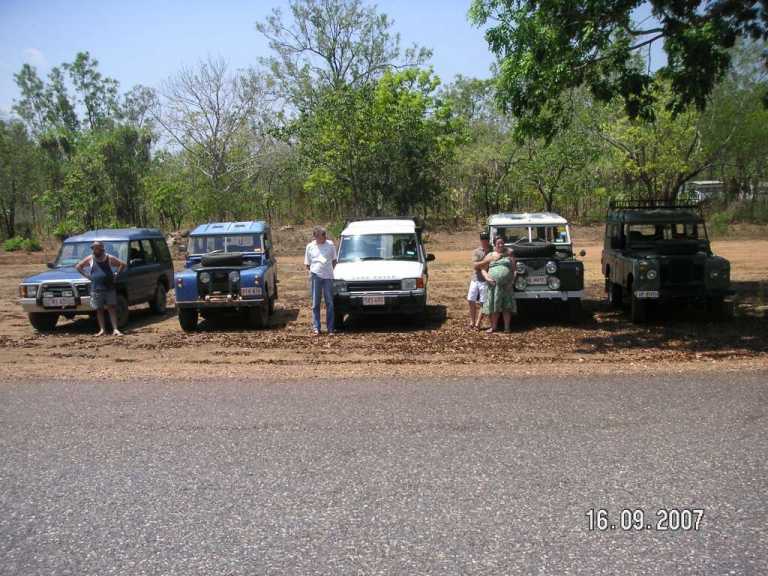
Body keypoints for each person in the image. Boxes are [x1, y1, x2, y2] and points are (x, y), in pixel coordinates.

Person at [75, 241, 127, 336]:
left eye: (97, 248)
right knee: (99, 309)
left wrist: (116, 274)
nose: (95, 250)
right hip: (96, 288)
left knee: (111, 308)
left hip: (109, 287)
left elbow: (122, 264)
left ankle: (115, 329)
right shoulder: (90, 258)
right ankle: (102, 330)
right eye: (94, 248)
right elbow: (78, 266)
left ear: (102, 248)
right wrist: (87, 276)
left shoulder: (109, 258)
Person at [475, 236, 517, 333]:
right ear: (494, 244)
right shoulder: (490, 255)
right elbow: (483, 270)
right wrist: (487, 278)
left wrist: (511, 282)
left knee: (507, 307)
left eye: (502, 243)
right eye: (498, 243)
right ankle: (493, 327)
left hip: (506, 285)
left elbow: (514, 271)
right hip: (493, 285)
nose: (501, 245)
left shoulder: (509, 255)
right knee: (494, 306)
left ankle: (507, 327)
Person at [304, 226, 337, 335]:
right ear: (315, 237)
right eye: (320, 237)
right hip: (315, 276)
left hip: (328, 276)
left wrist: (328, 270)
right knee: (315, 303)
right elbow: (308, 264)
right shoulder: (310, 246)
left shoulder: (330, 245)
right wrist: (315, 271)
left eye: (324, 236)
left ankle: (330, 328)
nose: (323, 238)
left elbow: (334, 260)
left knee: (329, 303)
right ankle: (316, 328)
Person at [467, 231, 490, 330]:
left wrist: (480, 263)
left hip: (485, 280)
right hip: (475, 278)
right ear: (480, 240)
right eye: (483, 239)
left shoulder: (492, 250)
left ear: (488, 239)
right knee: (470, 299)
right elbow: (475, 265)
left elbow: (479, 265)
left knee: (483, 302)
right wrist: (486, 261)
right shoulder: (477, 251)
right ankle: (472, 321)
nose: (484, 240)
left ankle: (477, 323)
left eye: (486, 238)